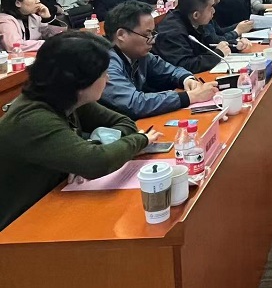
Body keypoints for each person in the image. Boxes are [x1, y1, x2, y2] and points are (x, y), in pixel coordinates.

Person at [0, 31, 161, 231]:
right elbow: (97, 162)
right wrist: (140, 140)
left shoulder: (68, 98)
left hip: (52, 205)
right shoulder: (32, 119)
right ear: (79, 81)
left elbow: (124, 123)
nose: (108, 78)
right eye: (103, 74)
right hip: (16, 226)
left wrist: (90, 148)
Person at [101, 1, 218, 119]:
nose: (152, 40)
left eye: (153, 34)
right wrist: (190, 97)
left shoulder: (139, 55)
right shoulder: (105, 63)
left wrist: (187, 80)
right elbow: (134, 104)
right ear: (121, 35)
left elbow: (170, 70)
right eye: (147, 35)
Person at [152, 0, 234, 73]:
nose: (213, 11)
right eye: (210, 7)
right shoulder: (173, 31)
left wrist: (234, 46)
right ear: (196, 15)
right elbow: (186, 66)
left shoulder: (194, 21)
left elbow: (209, 43)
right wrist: (218, 54)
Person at [187, 0, 254, 48]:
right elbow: (213, 41)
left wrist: (241, 27)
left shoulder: (208, 7)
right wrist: (237, 32)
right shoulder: (200, 8)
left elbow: (219, 32)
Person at [0, 0, 64, 52]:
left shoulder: (34, 17)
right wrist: (47, 44)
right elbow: (15, 45)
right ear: (18, 3)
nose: (38, 1)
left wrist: (48, 19)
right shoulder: (5, 20)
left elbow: (57, 37)